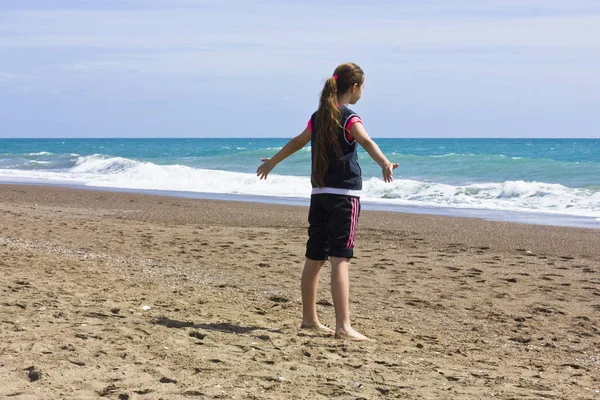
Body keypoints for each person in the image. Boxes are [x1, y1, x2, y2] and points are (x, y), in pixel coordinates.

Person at [256, 62, 398, 341]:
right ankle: (343, 327)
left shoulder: (319, 115)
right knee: (340, 260)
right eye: (362, 88)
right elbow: (366, 142)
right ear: (354, 87)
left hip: (319, 195)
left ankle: (309, 320)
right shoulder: (348, 117)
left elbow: (297, 142)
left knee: (314, 258)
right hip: (344, 197)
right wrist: (384, 163)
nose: (362, 94)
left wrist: (273, 162)